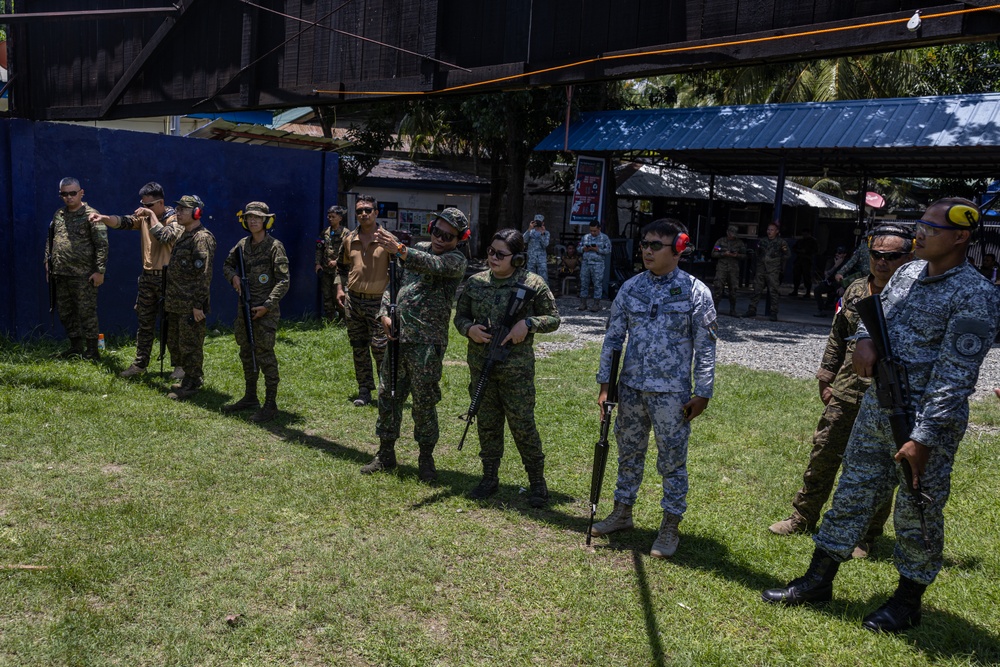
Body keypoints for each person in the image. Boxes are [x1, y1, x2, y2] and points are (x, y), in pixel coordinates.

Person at [762, 198, 1000, 633]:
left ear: (961, 236)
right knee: (852, 491)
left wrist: (923, 438)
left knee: (917, 510)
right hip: (877, 409)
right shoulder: (907, 272)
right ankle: (818, 581)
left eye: (930, 227)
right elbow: (878, 313)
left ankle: (907, 601)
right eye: (919, 225)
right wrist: (867, 340)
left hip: (924, 422)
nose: (919, 234)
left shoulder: (976, 295)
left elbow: (955, 377)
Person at [768, 225, 915, 559]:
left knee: (880, 467)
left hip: (889, 396)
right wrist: (826, 375)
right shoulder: (855, 290)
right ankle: (802, 516)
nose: (882, 262)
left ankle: (866, 536)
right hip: (848, 389)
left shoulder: (915, 297)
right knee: (823, 453)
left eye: (891, 256)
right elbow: (837, 336)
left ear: (909, 257)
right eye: (876, 254)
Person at [589, 219, 717, 558]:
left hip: (672, 395)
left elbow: (706, 346)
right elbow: (613, 339)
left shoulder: (695, 292)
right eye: (644, 243)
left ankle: (669, 525)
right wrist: (606, 387)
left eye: (655, 245)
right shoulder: (631, 288)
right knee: (628, 452)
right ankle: (622, 513)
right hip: (630, 389)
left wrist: (703, 391)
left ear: (678, 249)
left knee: (672, 461)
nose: (646, 250)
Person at [454, 228, 561, 507]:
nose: (492, 257)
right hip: (481, 366)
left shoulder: (533, 283)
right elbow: (460, 316)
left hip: (516, 370)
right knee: (487, 424)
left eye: (500, 254)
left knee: (522, 425)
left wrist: (527, 324)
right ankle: (489, 477)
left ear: (517, 259)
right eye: (490, 251)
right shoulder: (476, 283)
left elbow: (553, 318)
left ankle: (537, 482)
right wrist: (469, 329)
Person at [361, 208, 469, 481]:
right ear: (431, 227)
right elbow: (393, 284)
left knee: (424, 401)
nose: (440, 239)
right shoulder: (414, 250)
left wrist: (400, 249)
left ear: (459, 239)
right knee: (388, 395)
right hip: (398, 338)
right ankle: (385, 453)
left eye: (448, 235)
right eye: (437, 231)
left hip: (426, 343)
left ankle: (426, 458)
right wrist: (385, 312)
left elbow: (430, 264)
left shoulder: (456, 260)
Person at [90, 182, 184, 378]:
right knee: (145, 323)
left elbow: (165, 237)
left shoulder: (174, 219)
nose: (144, 208)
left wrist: (149, 216)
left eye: (149, 205)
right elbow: (124, 221)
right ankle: (140, 364)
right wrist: (104, 218)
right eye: (143, 204)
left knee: (171, 324)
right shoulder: (144, 217)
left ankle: (180, 365)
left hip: (169, 279)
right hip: (148, 278)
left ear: (161, 202)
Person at [221, 201, 290, 423]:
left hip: (265, 310)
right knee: (246, 351)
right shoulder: (242, 245)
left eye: (258, 218)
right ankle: (250, 396)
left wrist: (267, 305)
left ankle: (270, 404)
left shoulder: (274, 246)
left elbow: (283, 281)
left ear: (266, 221)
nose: (253, 221)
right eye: (249, 217)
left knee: (265, 354)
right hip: (245, 308)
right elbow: (227, 265)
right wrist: (234, 277)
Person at [145, 195, 216, 401]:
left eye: (184, 209)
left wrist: (197, 305)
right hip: (175, 301)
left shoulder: (202, 238)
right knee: (176, 342)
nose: (178, 212)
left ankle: (193, 382)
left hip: (190, 305)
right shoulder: (184, 235)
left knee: (190, 344)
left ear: (196, 213)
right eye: (177, 208)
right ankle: (188, 378)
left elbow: (204, 276)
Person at [44, 177, 107, 360]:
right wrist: (47, 263)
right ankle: (76, 346)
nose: (69, 197)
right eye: (64, 194)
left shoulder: (91, 215)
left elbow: (102, 245)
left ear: (81, 193)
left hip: (84, 275)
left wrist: (99, 271)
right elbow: (51, 239)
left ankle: (92, 351)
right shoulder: (59, 214)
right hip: (61, 274)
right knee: (65, 312)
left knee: (87, 313)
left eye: (73, 193)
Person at [337, 195, 391, 407]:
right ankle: (364, 390)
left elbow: (398, 273)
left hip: (378, 303)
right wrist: (339, 289)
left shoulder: (388, 239)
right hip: (354, 302)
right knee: (358, 347)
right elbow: (341, 267)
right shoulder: (349, 238)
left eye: (368, 210)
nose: (363, 214)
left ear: (376, 213)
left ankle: (386, 392)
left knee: (380, 348)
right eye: (359, 211)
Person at [743, 222, 790, 321]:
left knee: (774, 292)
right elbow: (757, 254)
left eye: (772, 230)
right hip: (761, 270)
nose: (769, 232)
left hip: (773, 271)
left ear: (777, 231)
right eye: (768, 229)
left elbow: (787, 255)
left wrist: (777, 261)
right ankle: (752, 310)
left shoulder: (781, 242)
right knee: (756, 290)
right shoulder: (762, 241)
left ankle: (773, 313)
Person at [315, 205, 347, 323]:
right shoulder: (325, 232)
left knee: (338, 295)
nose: (330, 219)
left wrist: (337, 261)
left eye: (333, 217)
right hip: (326, 269)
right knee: (327, 295)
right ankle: (330, 320)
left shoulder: (346, 233)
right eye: (329, 217)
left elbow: (348, 252)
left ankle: (343, 320)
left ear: (340, 218)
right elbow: (319, 248)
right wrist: (317, 263)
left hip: (339, 270)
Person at [711, 224, 746, 316]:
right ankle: (715, 309)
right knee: (718, 287)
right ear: (727, 232)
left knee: (733, 289)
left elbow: (744, 255)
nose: (732, 236)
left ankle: (732, 310)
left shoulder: (739, 243)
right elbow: (714, 253)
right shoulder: (720, 241)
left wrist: (737, 255)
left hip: (733, 269)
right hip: (722, 268)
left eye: (734, 234)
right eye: (731, 233)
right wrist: (723, 254)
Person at [577, 221, 612, 312]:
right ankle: (583, 303)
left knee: (597, 284)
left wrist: (598, 249)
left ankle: (596, 304)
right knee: (584, 283)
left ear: (599, 229)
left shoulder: (604, 238)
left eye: (595, 231)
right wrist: (583, 249)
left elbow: (608, 250)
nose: (593, 233)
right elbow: (578, 248)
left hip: (598, 264)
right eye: (591, 231)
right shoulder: (585, 237)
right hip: (586, 263)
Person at [814, 246, 849, 316]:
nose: (837, 254)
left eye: (840, 253)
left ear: (844, 254)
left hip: (841, 284)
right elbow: (827, 274)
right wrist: (835, 266)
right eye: (836, 252)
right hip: (831, 283)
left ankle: (839, 314)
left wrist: (843, 287)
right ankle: (821, 309)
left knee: (841, 295)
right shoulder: (831, 261)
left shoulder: (847, 263)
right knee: (817, 290)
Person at [792, 229, 819, 298]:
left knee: (807, 276)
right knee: (796, 276)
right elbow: (794, 248)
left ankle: (808, 292)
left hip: (807, 260)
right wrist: (799, 251)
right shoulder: (801, 241)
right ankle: (795, 290)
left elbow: (815, 250)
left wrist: (806, 251)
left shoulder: (812, 241)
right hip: (799, 259)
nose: (804, 235)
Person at [524, 213, 550, 282]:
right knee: (530, 280)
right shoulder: (530, 232)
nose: (537, 224)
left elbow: (545, 245)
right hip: (531, 259)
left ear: (542, 223)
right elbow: (524, 240)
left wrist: (542, 234)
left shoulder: (546, 233)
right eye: (536, 222)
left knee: (543, 280)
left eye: (539, 222)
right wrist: (529, 229)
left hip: (541, 260)